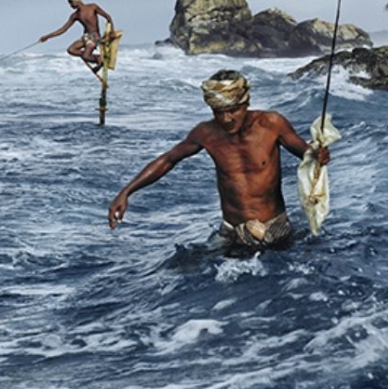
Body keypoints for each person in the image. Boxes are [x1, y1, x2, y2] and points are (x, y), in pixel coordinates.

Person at [108, 70, 331, 253]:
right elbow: (168, 159)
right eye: (219, 112)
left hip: (275, 228)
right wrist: (126, 192)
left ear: (245, 104)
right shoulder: (206, 133)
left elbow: (306, 154)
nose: (226, 119)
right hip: (231, 231)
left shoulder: (271, 124)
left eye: (233, 110)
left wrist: (318, 154)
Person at [38, 0, 115, 74]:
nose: (70, 5)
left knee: (86, 56)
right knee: (71, 50)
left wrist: (112, 30)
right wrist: (47, 37)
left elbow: (108, 17)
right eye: (69, 2)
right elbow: (63, 29)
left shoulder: (93, 7)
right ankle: (98, 59)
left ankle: (98, 59)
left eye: (71, 2)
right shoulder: (75, 15)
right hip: (86, 37)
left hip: (95, 36)